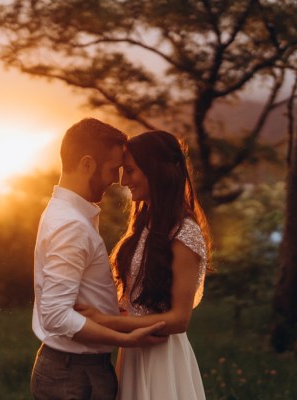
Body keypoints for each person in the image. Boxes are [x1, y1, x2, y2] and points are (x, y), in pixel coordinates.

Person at [30, 118, 167, 400]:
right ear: (87, 164)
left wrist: (115, 309)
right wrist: (124, 339)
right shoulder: (71, 224)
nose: (117, 180)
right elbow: (55, 315)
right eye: (113, 169)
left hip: (76, 371)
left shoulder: (70, 214)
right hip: (74, 376)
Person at [76, 130, 211, 399]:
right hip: (134, 352)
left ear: (156, 171)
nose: (124, 181)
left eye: (131, 171)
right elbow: (137, 300)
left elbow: (179, 319)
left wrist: (106, 321)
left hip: (161, 358)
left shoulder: (184, 232)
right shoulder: (144, 226)